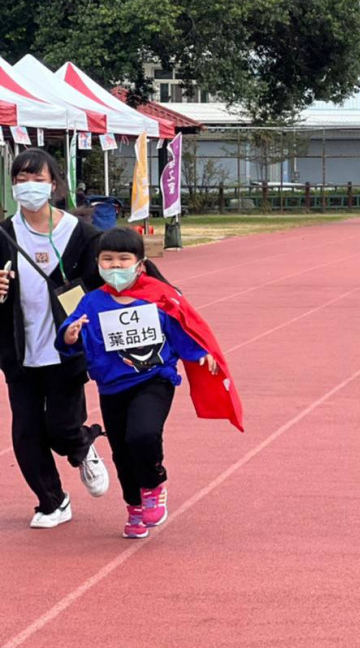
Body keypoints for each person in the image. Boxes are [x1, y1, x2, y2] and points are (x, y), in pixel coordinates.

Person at [57, 227, 243, 538]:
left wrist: (200, 354)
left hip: (154, 379)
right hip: (111, 386)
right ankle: (134, 507)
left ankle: (154, 485)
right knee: (121, 450)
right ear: (98, 263)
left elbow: (182, 326)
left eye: (123, 259)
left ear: (139, 264)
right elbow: (69, 335)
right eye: (108, 260)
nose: (115, 266)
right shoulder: (91, 302)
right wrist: (70, 334)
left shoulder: (159, 296)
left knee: (142, 435)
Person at [0, 148, 109, 528]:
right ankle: (52, 501)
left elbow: (105, 284)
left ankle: (83, 446)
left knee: (61, 428)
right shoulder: (3, 235)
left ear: (55, 184)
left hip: (66, 349)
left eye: (37, 179)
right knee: (26, 432)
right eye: (21, 180)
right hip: (19, 351)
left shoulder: (81, 235)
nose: (29, 187)